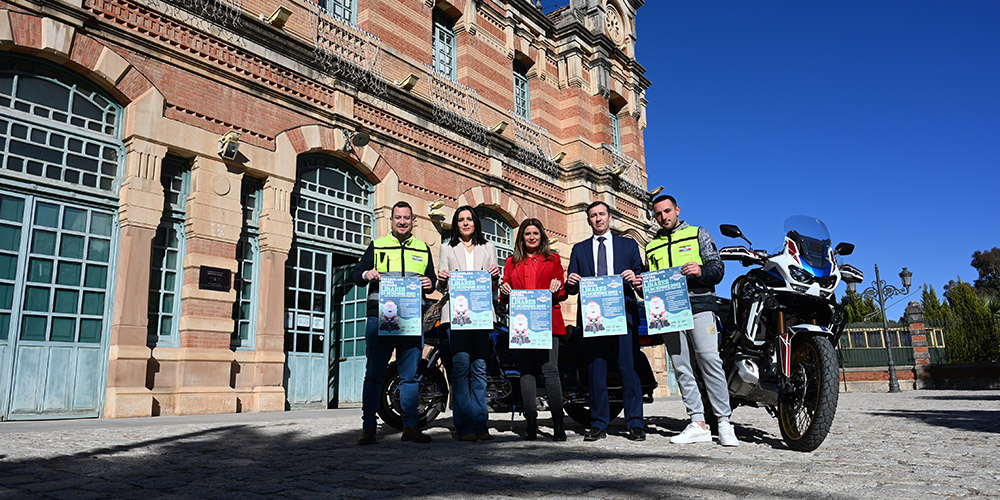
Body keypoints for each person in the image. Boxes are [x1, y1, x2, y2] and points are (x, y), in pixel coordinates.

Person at [638, 194, 738, 447]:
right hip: (669, 312)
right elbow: (650, 286)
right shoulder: (651, 246)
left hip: (699, 305)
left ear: (677, 210)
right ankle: (698, 422)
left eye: (667, 211)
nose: (663, 217)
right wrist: (641, 285)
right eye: (658, 214)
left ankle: (724, 422)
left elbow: (718, 270)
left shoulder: (698, 234)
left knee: (709, 361)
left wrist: (701, 270)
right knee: (682, 366)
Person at [352, 201, 437, 445]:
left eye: (406, 218)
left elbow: (432, 278)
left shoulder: (422, 249)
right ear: (391, 220)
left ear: (413, 221)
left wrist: (430, 283)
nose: (402, 221)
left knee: (410, 377)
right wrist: (367, 274)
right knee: (375, 375)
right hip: (380, 319)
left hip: (410, 319)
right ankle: (369, 428)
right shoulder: (377, 246)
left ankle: (410, 427)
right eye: (398, 217)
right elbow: (356, 275)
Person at [565, 201, 646, 442]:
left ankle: (635, 423)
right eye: (593, 216)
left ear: (609, 217)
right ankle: (598, 423)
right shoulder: (579, 249)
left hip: (623, 314)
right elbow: (571, 287)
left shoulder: (628, 245)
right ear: (588, 220)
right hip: (593, 319)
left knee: (628, 369)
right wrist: (571, 281)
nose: (598, 219)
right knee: (595, 371)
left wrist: (635, 277)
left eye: (601, 214)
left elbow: (641, 279)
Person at [499, 218, 568, 441]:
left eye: (535, 233)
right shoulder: (511, 262)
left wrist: (558, 287)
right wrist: (505, 290)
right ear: (521, 237)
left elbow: (563, 291)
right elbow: (504, 296)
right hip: (523, 325)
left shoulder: (553, 259)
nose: (531, 237)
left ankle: (559, 424)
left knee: (550, 371)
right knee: (527, 373)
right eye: (527, 233)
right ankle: (530, 422)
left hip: (548, 322)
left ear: (541, 237)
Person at [436, 206, 501, 442]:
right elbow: (440, 285)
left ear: (475, 223)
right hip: (456, 314)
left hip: (482, 314)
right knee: (461, 368)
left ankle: (480, 423)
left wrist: (495, 276)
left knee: (480, 369)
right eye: (461, 220)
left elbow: (495, 285)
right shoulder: (447, 247)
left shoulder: (488, 247)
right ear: (456, 224)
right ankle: (464, 425)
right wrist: (441, 279)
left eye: (469, 219)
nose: (465, 223)